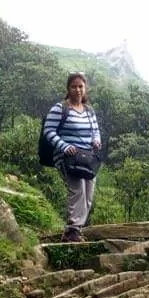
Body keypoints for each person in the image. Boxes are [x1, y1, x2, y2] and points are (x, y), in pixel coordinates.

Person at [43, 72, 102, 242]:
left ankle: (76, 229)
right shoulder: (60, 108)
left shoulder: (89, 111)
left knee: (89, 194)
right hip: (68, 157)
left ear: (85, 88)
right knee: (77, 191)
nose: (77, 90)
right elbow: (49, 131)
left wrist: (96, 141)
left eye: (80, 86)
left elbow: (96, 130)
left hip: (88, 159)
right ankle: (72, 231)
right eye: (74, 86)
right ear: (68, 89)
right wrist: (65, 146)